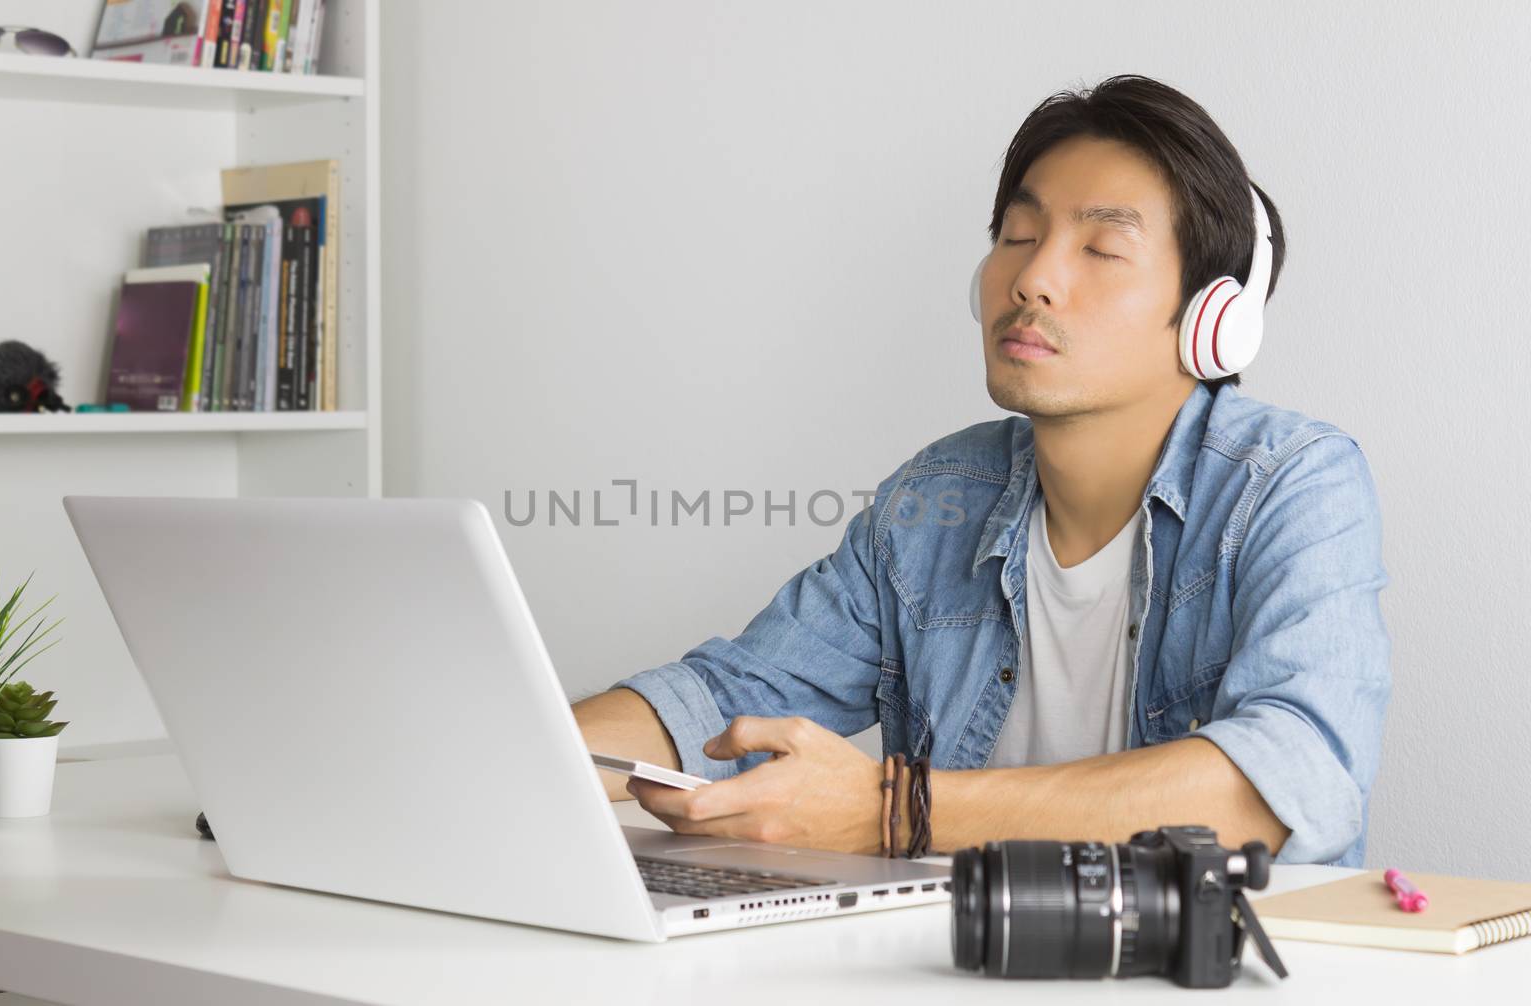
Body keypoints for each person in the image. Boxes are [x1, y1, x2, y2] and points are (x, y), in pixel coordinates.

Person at [574, 74, 1389, 867]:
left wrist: (895, 811)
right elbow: (730, 699)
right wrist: (498, 747)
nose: (1032, 279)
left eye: (1103, 248)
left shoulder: (1294, 485)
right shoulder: (937, 498)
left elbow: (1285, 784)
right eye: (1018, 238)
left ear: (1216, 320)